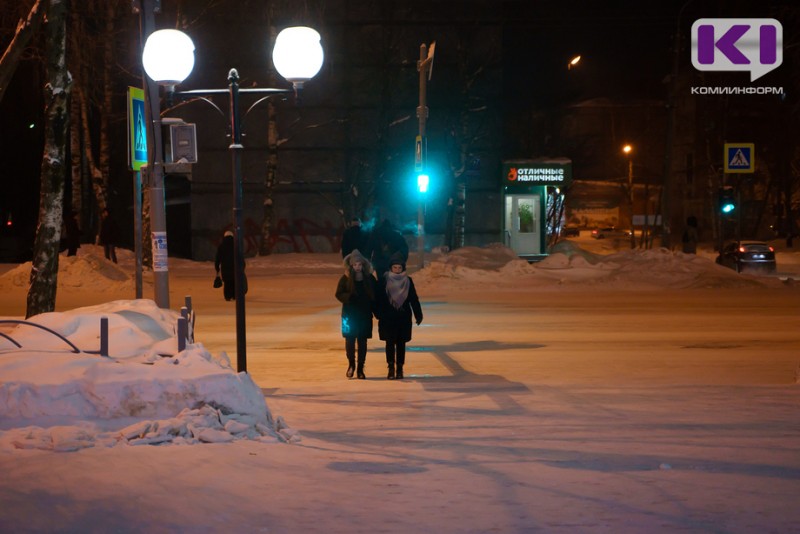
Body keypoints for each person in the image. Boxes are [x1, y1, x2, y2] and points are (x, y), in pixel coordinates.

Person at [375, 252, 423, 380]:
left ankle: (400, 368)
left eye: (399, 268)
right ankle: (391, 367)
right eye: (395, 267)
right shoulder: (383, 281)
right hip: (388, 317)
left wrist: (418, 314)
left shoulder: (408, 281)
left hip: (403, 317)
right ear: (390, 268)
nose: (397, 270)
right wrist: (379, 313)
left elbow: (413, 298)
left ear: (403, 268)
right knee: (390, 343)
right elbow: (377, 299)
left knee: (401, 343)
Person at [335, 249, 377, 379]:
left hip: (364, 315)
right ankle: (351, 364)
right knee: (350, 340)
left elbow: (375, 295)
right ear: (351, 265)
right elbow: (338, 293)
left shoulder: (369, 278)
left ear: (363, 265)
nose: (358, 267)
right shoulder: (346, 278)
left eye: (359, 264)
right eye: (355, 265)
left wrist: (376, 310)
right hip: (349, 315)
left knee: (362, 341)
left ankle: (360, 368)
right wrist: (349, 297)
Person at [215, 231, 236, 301]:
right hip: (235, 268)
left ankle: (227, 296)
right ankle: (234, 295)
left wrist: (217, 268)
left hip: (225, 268)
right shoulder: (236, 245)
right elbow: (240, 257)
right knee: (234, 282)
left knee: (227, 282)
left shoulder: (221, 246)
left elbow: (218, 258)